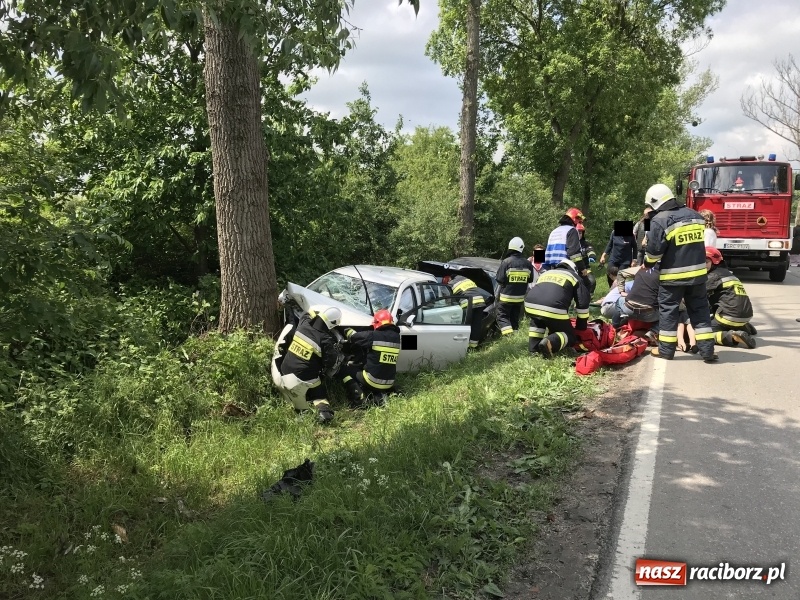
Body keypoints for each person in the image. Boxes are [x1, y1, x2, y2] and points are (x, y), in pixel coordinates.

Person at [643, 183, 717, 362]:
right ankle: (707, 351)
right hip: (698, 276)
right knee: (700, 312)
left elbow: (653, 253)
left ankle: (666, 351)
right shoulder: (695, 215)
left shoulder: (660, 220)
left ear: (655, 201)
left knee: (669, 313)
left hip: (672, 278)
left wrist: (647, 262)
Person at [277, 305, 343, 423]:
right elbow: (330, 363)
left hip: (284, 369)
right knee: (319, 393)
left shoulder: (304, 324)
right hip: (303, 378)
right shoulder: (325, 339)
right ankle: (324, 413)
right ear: (333, 323)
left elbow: (307, 314)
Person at [524, 258, 591, 357]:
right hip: (553, 308)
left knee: (538, 322)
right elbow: (583, 303)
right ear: (573, 269)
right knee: (570, 335)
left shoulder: (546, 273)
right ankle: (549, 342)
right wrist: (581, 327)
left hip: (529, 304)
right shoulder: (574, 276)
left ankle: (533, 349)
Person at [340, 309, 402, 407]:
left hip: (372, 381)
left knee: (344, 370)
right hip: (390, 382)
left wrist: (346, 329)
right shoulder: (397, 338)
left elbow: (354, 337)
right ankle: (380, 394)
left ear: (377, 323)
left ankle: (358, 399)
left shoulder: (373, 335)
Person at [705, 246, 757, 349]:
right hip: (745, 316)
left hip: (728, 317)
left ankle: (732, 336)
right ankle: (744, 327)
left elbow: (695, 295)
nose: (702, 265)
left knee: (701, 333)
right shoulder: (727, 273)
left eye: (706, 262)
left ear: (715, 262)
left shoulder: (712, 276)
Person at [495, 237, 533, 335]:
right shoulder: (528, 264)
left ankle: (509, 336)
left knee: (502, 316)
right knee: (514, 318)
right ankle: (515, 335)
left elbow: (499, 279)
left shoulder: (506, 262)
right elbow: (531, 279)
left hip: (506, 297)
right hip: (519, 298)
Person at [545, 207, 590, 289]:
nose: (579, 223)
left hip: (551, 269)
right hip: (565, 268)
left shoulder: (554, 231)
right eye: (579, 220)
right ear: (575, 219)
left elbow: (547, 253)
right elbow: (574, 254)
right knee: (587, 284)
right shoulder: (572, 230)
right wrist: (582, 268)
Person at [450, 274, 489, 349]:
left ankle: (463, 347)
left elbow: (450, 299)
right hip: (480, 302)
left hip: (469, 303)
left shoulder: (452, 283)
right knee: (476, 325)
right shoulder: (467, 280)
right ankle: (473, 346)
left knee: (466, 325)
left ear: (450, 278)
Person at [576, 223, 597, 296]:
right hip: (572, 269)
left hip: (585, 269)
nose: (579, 234)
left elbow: (590, 250)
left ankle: (589, 298)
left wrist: (592, 256)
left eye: (580, 232)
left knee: (592, 281)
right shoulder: (568, 244)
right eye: (577, 232)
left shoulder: (586, 244)